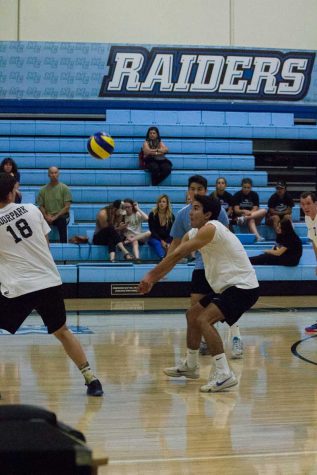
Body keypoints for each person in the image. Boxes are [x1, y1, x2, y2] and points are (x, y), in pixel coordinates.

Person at [138, 195, 259, 392]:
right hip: (228, 287)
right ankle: (191, 365)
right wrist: (155, 278)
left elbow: (178, 254)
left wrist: (151, 277)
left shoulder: (212, 228)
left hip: (243, 287)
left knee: (204, 320)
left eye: (195, 208)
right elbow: (173, 255)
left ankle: (224, 374)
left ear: (208, 214)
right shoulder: (194, 232)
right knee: (192, 315)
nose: (190, 212)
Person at [0, 173, 103, 397]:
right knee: (62, 331)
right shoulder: (32, 209)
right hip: (48, 281)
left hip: (19, 287)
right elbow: (45, 243)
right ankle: (92, 380)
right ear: (10, 193)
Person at [168, 175, 244, 359]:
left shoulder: (217, 212)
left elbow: (227, 238)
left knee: (226, 306)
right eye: (192, 189)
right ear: (188, 191)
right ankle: (203, 340)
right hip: (201, 266)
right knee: (195, 306)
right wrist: (166, 266)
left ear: (205, 191)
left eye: (199, 189)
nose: (195, 192)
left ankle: (236, 337)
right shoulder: (182, 215)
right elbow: (176, 243)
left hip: (221, 267)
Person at [37, 166, 72, 243]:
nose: (53, 175)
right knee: (37, 220)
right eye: (51, 173)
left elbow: (67, 207)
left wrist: (54, 217)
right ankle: (42, 244)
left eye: (55, 173)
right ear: (48, 175)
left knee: (62, 221)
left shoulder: (64, 188)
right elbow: (41, 206)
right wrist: (46, 216)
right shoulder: (43, 190)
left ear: (58, 174)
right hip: (48, 216)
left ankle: (63, 244)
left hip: (60, 216)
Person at [299, 191, 317, 333]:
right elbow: (314, 242)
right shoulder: (307, 218)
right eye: (303, 204)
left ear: (315, 203)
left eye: (309, 203)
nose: (306, 207)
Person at [233, 177, 267, 242]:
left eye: (248, 187)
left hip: (249, 216)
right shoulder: (237, 195)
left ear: (251, 187)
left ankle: (245, 218)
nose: (246, 189)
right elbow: (236, 210)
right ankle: (258, 237)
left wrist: (247, 215)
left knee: (264, 211)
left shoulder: (254, 195)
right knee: (251, 219)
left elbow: (255, 208)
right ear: (241, 187)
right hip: (240, 220)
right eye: (244, 187)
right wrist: (243, 211)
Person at [148, 194, 175, 260]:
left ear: (167, 204)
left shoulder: (171, 216)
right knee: (157, 243)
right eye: (160, 202)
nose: (161, 203)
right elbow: (152, 231)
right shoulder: (152, 215)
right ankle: (163, 258)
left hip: (167, 238)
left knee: (172, 244)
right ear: (157, 203)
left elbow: (172, 232)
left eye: (163, 202)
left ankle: (174, 258)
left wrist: (168, 242)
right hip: (155, 238)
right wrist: (161, 241)